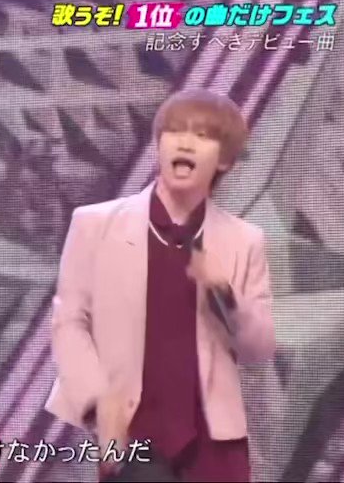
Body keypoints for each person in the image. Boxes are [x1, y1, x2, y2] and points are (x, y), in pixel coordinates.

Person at [45, 89, 275, 481]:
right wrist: (97, 401)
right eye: (174, 132)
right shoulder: (95, 224)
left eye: (202, 136)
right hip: (132, 430)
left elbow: (258, 348)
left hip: (215, 442)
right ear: (158, 145)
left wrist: (223, 291)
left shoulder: (243, 240)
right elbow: (69, 321)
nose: (184, 142)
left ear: (224, 160)